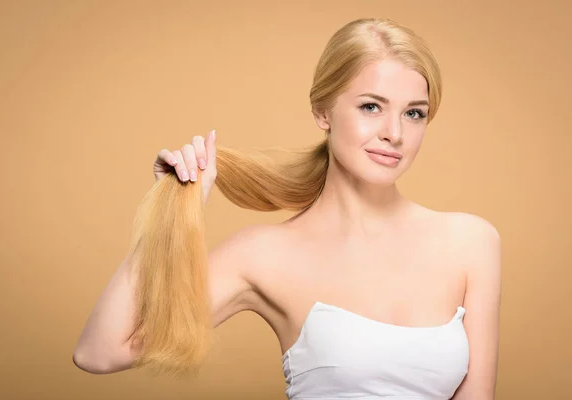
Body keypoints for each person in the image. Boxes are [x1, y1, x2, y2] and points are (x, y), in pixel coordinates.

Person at [73, 17, 502, 400]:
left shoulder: (471, 242)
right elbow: (100, 351)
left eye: (414, 113)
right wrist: (170, 212)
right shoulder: (264, 253)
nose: (394, 133)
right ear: (323, 111)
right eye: (371, 106)